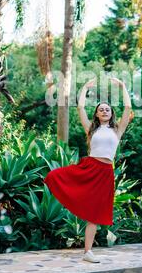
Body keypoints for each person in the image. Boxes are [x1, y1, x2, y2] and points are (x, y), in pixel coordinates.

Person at [43, 77, 132, 263]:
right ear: (97, 114)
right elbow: (80, 108)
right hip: (89, 168)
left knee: (94, 215)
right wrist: (84, 88)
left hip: (105, 172)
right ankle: (70, 203)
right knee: (54, 176)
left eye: (107, 109)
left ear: (111, 113)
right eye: (101, 109)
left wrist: (123, 87)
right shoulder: (91, 130)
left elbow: (128, 109)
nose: (105, 111)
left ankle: (87, 252)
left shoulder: (117, 130)